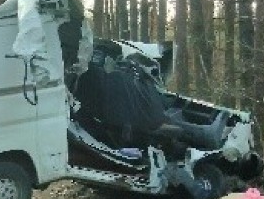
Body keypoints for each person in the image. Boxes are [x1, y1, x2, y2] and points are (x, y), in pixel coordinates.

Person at [75, 42, 228, 150]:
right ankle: (205, 135)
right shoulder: (117, 80)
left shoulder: (99, 83)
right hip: (136, 127)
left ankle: (204, 135)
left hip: (131, 125)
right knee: (170, 127)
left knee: (169, 123)